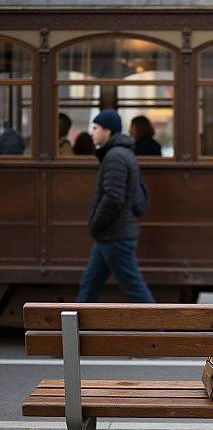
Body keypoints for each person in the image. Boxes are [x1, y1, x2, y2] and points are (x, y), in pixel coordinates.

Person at [76, 109, 155, 303]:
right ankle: (71, 331)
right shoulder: (121, 154)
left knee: (133, 287)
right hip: (111, 235)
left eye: (95, 128)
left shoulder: (115, 157)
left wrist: (95, 223)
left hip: (115, 235)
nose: (92, 132)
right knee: (89, 284)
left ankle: (158, 330)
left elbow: (113, 197)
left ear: (107, 131)